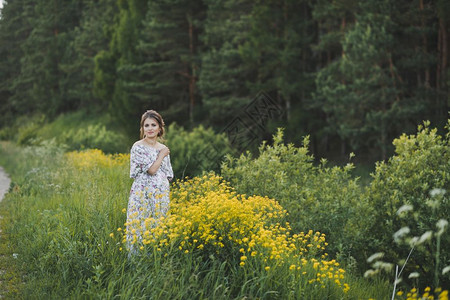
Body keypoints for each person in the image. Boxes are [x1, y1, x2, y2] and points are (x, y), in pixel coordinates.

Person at [125, 110, 173, 255]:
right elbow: (151, 170)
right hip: (142, 194)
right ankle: (137, 265)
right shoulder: (138, 147)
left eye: (153, 125)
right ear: (142, 128)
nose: (150, 128)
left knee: (158, 226)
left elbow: (168, 174)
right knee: (139, 226)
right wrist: (161, 156)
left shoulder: (162, 148)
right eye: (146, 125)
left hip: (160, 194)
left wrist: (163, 188)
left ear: (160, 128)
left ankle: (157, 262)